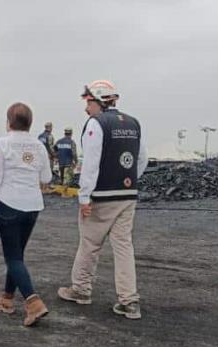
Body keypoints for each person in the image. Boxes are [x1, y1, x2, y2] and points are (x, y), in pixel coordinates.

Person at [57, 80, 148, 320]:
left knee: (90, 244)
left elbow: (90, 163)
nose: (86, 108)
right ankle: (129, 301)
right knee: (124, 246)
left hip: (101, 197)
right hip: (128, 196)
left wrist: (84, 196)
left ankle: (81, 290)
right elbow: (142, 160)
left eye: (88, 102)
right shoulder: (133, 124)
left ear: (97, 100)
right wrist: (126, 181)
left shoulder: (96, 124)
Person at [0, 102, 52, 327]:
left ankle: (33, 302)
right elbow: (47, 178)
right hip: (32, 206)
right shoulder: (39, 146)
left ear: (9, 121)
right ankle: (7, 299)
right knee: (17, 255)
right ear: (29, 123)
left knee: (12, 257)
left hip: (8, 204)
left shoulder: (2, 144)